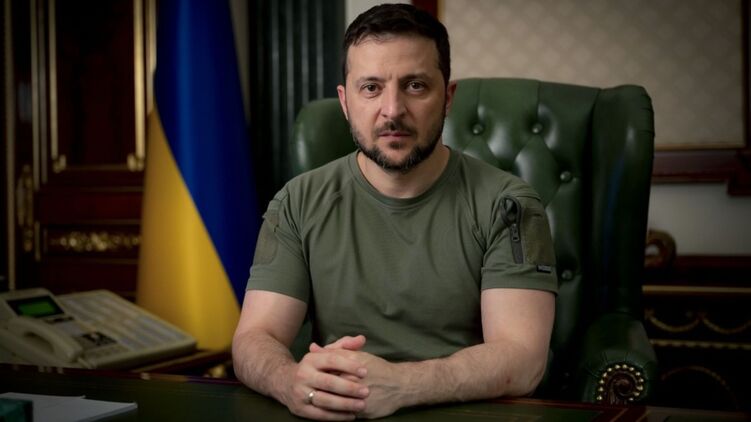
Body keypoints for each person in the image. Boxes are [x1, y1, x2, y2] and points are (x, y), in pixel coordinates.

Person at [232, 4, 557, 420]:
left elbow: (524, 360)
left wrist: (402, 385)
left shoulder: (508, 205)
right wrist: (288, 380)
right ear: (345, 101)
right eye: (371, 88)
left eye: (415, 86)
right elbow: (254, 338)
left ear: (447, 98)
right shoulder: (297, 202)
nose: (392, 110)